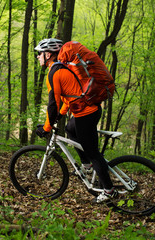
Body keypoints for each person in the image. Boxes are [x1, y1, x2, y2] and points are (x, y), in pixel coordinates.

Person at [34, 38, 117, 203]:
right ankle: (86, 166)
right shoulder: (61, 69)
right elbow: (69, 97)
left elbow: (53, 104)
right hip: (87, 111)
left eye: (39, 54)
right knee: (71, 129)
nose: (38, 57)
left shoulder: (55, 72)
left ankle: (109, 190)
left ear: (48, 54)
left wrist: (46, 127)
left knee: (93, 152)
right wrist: (61, 115)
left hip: (86, 114)